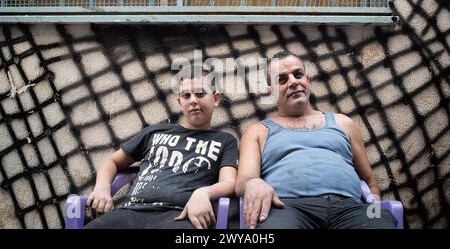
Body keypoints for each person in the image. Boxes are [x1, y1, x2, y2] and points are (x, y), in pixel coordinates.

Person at [235, 51, 397, 229]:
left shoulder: (343, 123)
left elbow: (369, 180)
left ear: (308, 80)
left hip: (350, 209)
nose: (293, 82)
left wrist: (373, 209)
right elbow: (244, 180)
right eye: (281, 79)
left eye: (298, 75)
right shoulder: (257, 131)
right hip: (288, 209)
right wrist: (253, 182)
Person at [84, 66, 238, 229]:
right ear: (180, 102)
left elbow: (229, 182)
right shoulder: (154, 132)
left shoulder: (224, 141)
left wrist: (204, 192)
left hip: (179, 215)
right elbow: (112, 162)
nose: (193, 100)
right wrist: (101, 188)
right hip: (130, 210)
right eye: (186, 95)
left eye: (200, 94)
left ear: (215, 99)